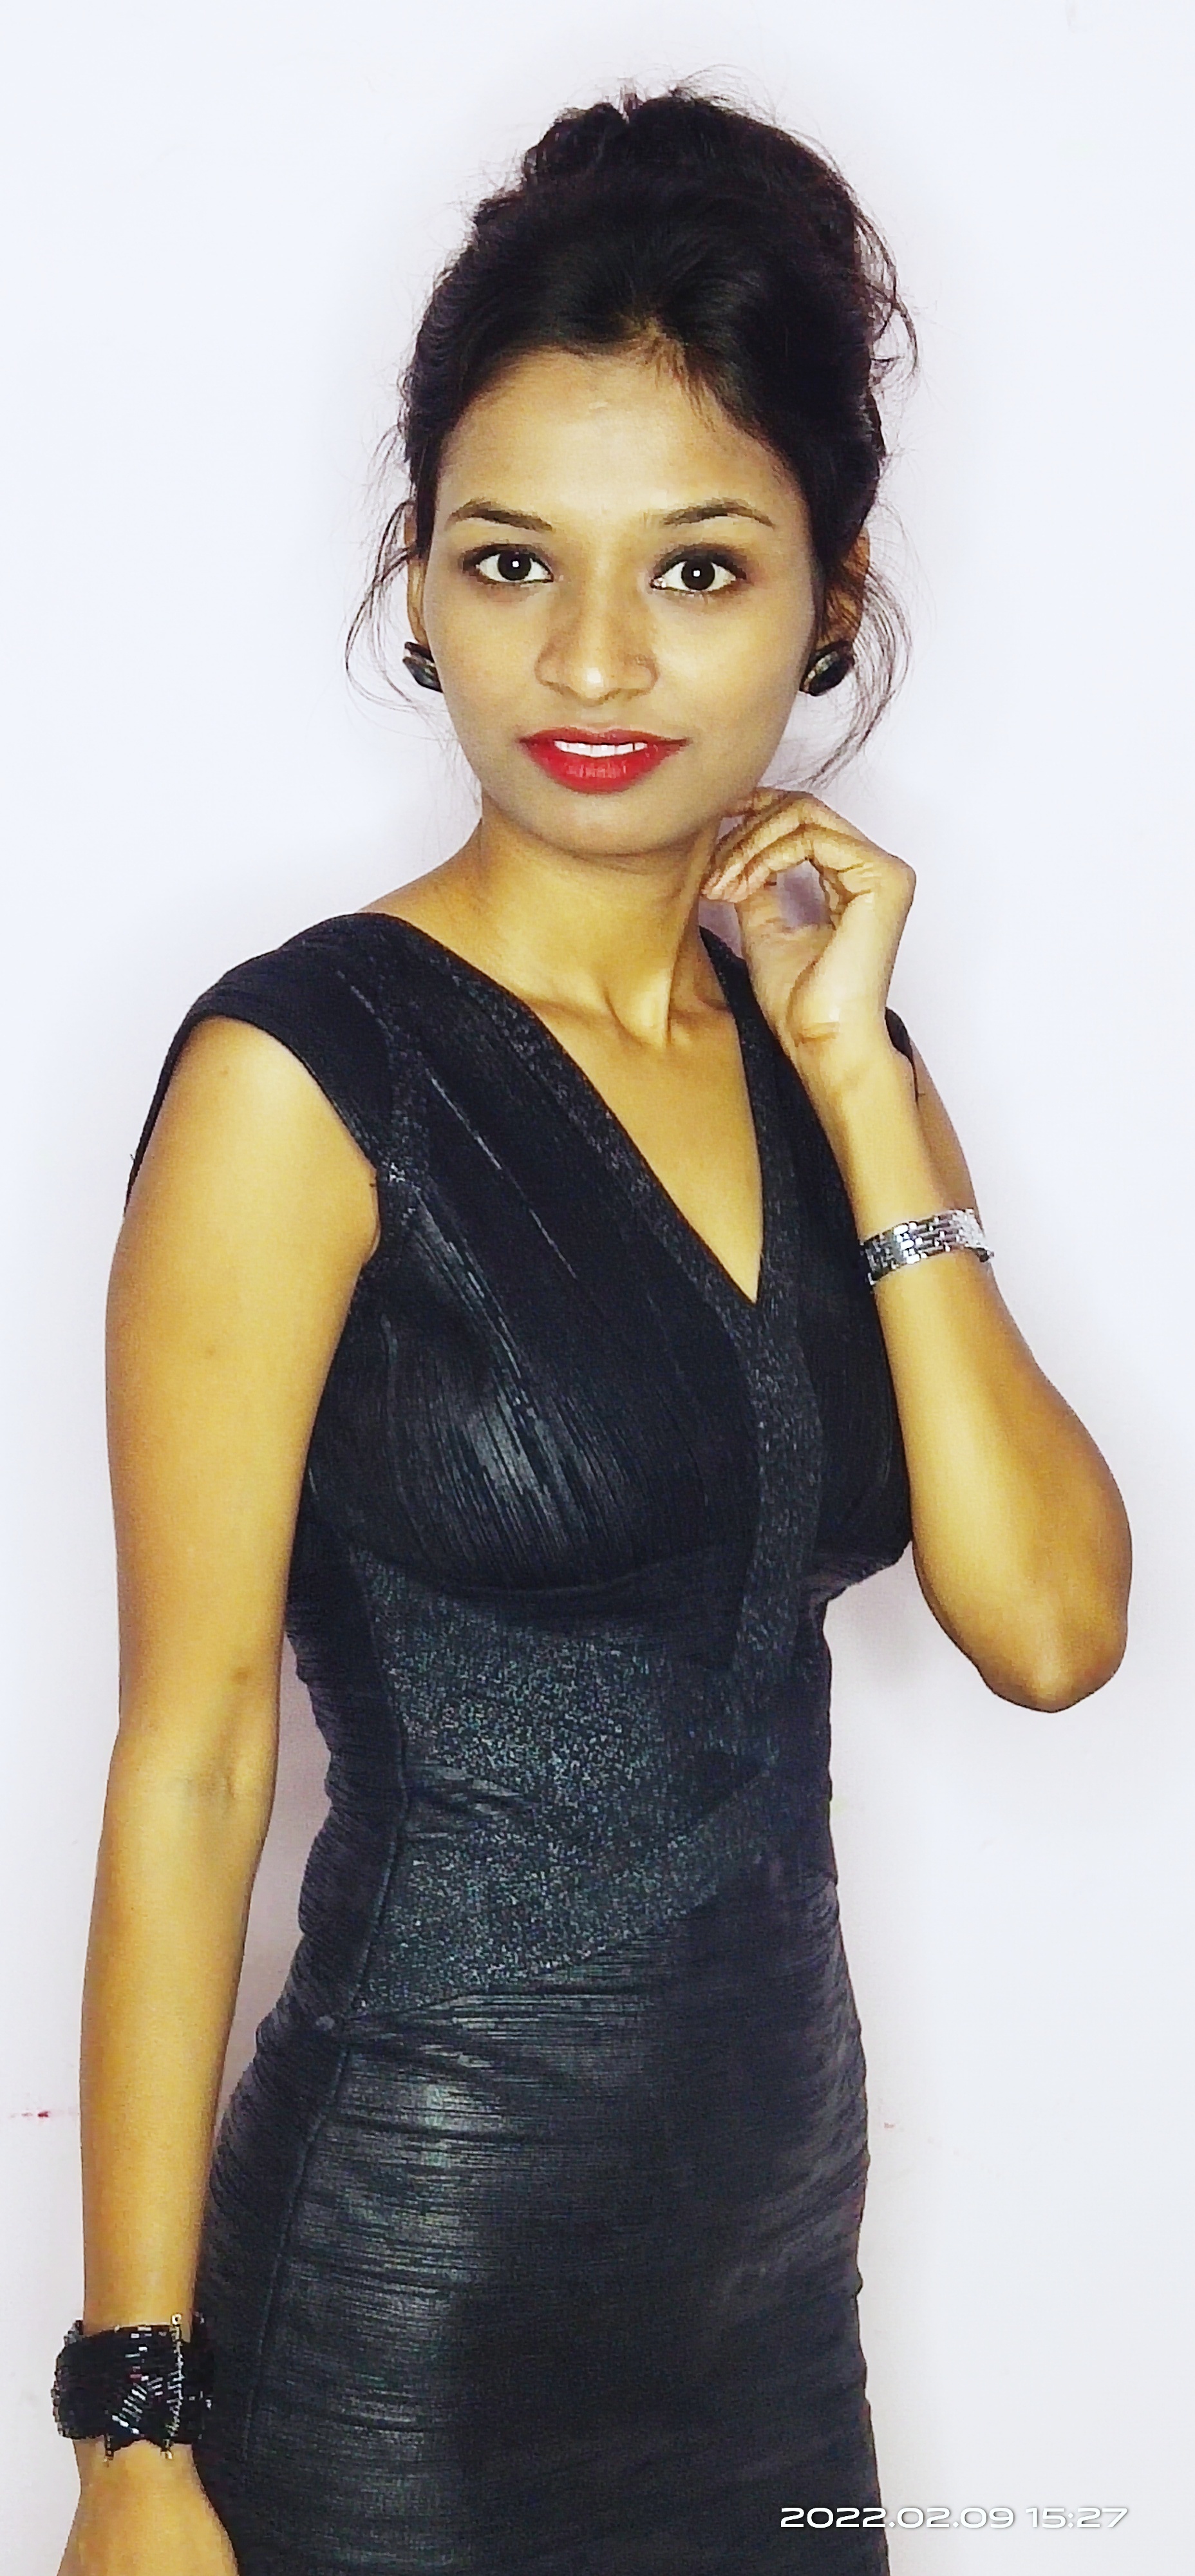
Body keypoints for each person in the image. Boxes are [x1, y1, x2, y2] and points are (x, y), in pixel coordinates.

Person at [53, 85, 1131, 2576]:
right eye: (514, 559)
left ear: (833, 597)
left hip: (772, 2299)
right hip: (402, 2303)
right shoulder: (302, 1074)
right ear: (417, 580)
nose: (597, 661)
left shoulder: (836, 1055)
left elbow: (1054, 1630)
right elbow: (192, 1762)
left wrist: (861, 1081)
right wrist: (133, 2436)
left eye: (702, 569)